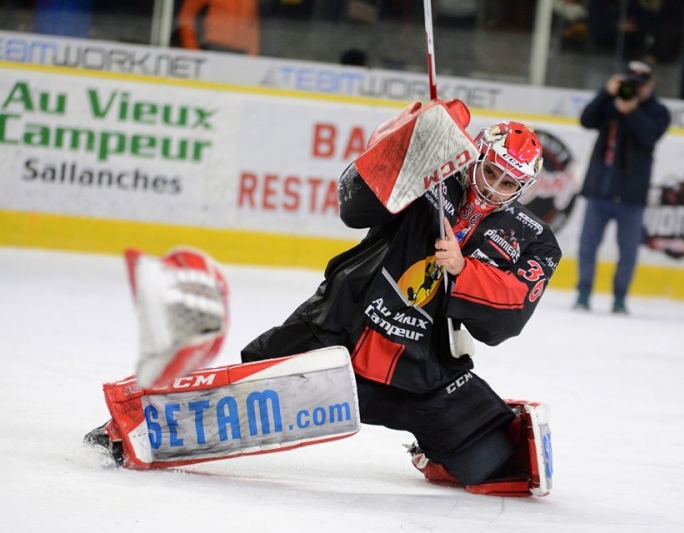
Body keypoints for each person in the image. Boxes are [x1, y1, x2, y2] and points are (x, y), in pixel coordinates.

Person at [85, 101, 562, 496]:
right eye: (491, 172)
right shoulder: (432, 175)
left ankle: (434, 451)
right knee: (242, 393)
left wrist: (465, 270)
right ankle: (129, 425)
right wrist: (413, 140)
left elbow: (509, 317)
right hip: (341, 331)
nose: (494, 187)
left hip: (425, 369)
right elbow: (353, 202)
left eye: (509, 183)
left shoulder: (535, 239)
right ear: (475, 155)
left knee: (500, 459)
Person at [574, 61, 670, 314]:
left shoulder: (658, 111)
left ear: (650, 85)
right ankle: (583, 294)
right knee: (587, 245)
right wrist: (606, 93)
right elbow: (586, 120)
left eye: (640, 85)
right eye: (630, 83)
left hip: (631, 195)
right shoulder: (610, 104)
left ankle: (619, 298)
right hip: (600, 190)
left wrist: (632, 111)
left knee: (628, 250)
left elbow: (649, 137)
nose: (634, 89)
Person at [176, 0, 260, 55]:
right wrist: (192, 49)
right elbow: (186, 15)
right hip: (216, 48)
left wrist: (252, 55)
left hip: (241, 53)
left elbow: (252, 24)